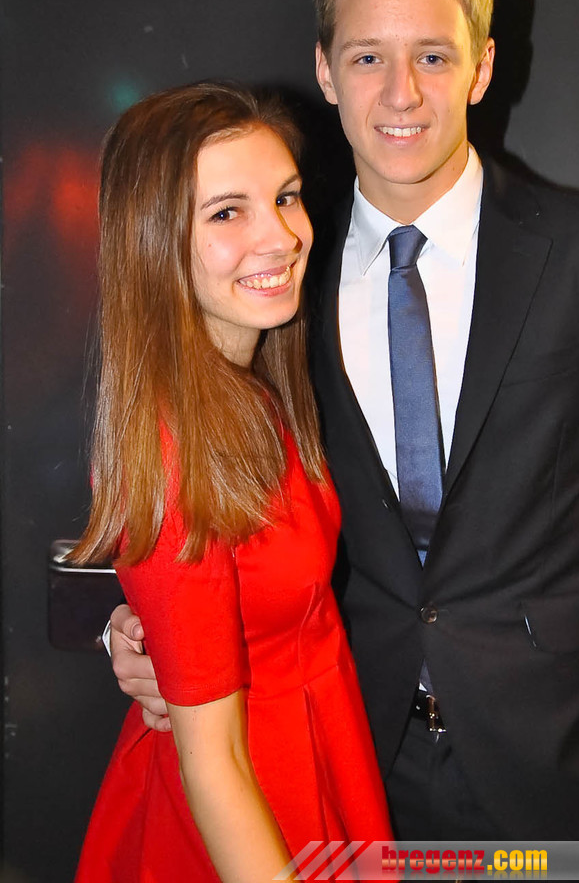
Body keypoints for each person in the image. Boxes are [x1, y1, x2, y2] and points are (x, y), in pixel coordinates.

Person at [109, 0, 579, 841]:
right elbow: (207, 486)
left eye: (432, 55)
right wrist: (136, 630)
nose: (401, 93)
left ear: (481, 68)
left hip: (558, 752)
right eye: (369, 57)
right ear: (325, 72)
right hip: (346, 753)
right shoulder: (280, 269)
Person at [72, 82, 391, 883]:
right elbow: (212, 764)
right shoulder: (172, 449)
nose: (279, 236)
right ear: (154, 242)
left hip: (315, 751)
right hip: (243, 807)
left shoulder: (262, 389)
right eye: (226, 213)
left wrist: (141, 628)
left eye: (284, 197)